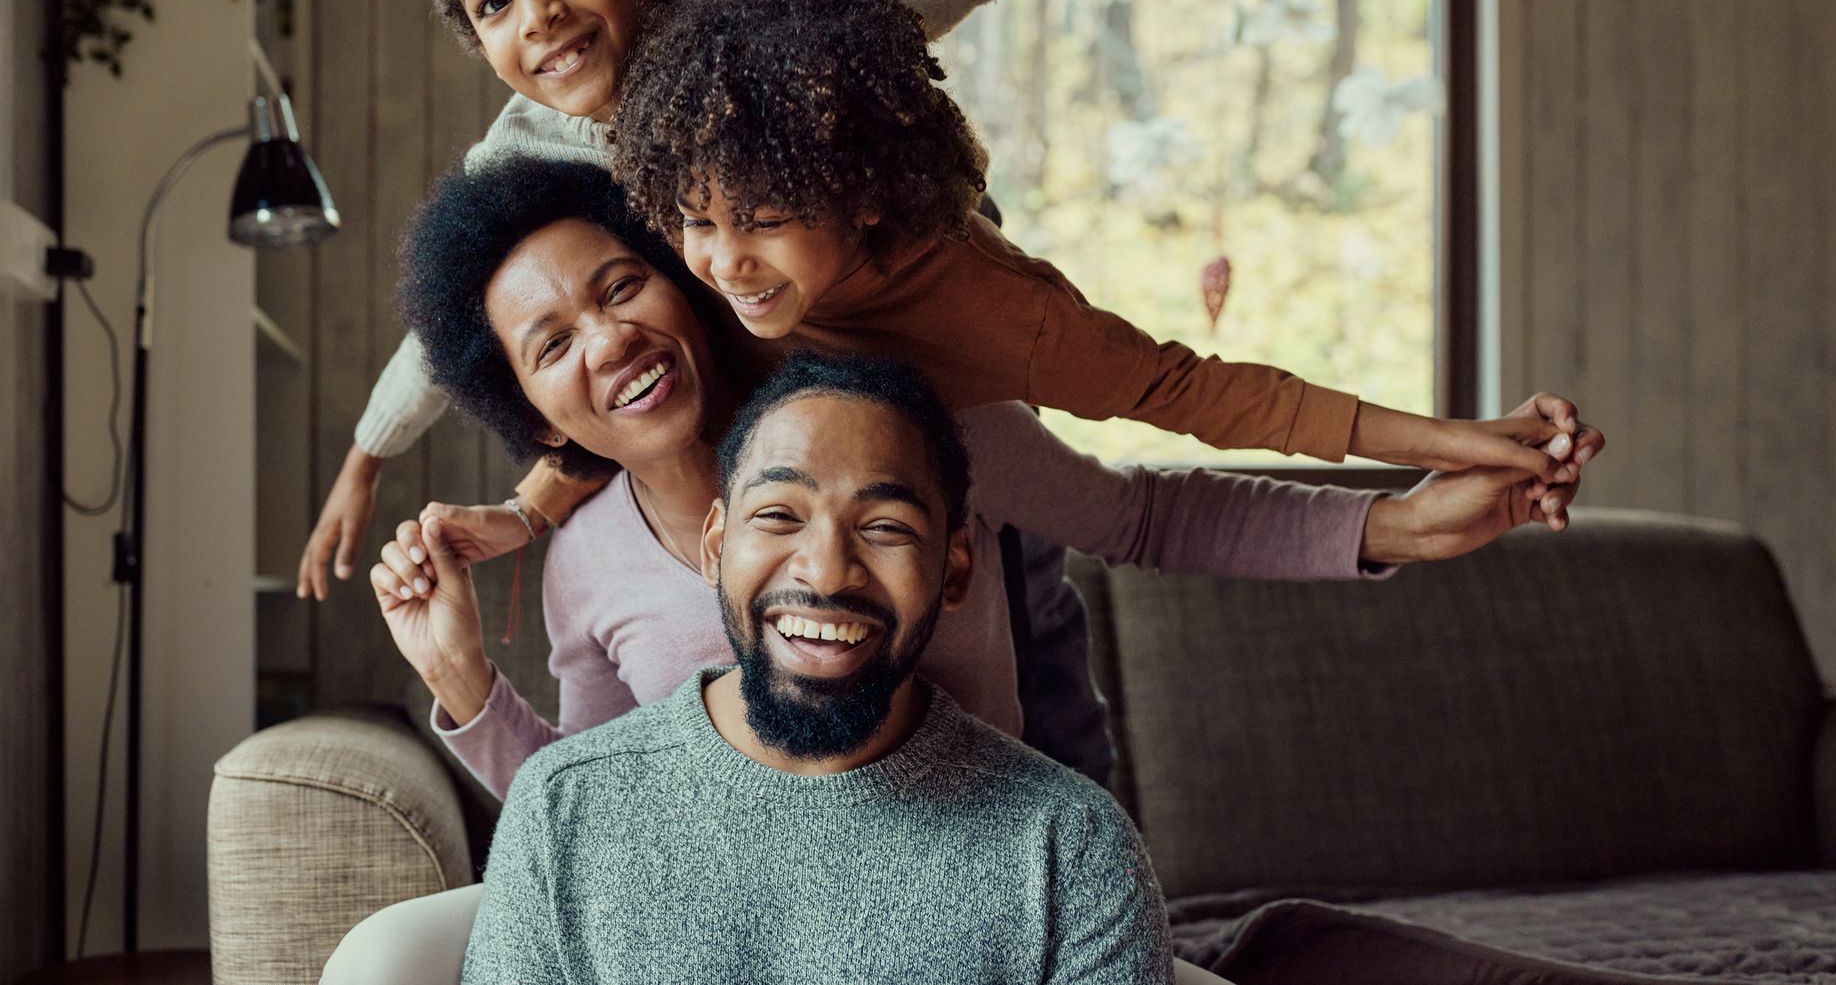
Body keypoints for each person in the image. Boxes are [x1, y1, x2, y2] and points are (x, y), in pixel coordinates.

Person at [319, 157, 1600, 983]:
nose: (611, 340)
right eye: (553, 343)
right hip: (722, 930)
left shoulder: (913, 435)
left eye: (622, 286)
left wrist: (1403, 523)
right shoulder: (584, 556)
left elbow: (1148, 518)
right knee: (384, 961)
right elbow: (595, 807)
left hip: (966, 899)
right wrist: (469, 688)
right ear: (534, 407)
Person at [299, 0, 1459, 599]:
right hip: (830, 442)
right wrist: (366, 459)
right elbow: (456, 331)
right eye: (494, 4)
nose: (539, 15)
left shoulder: (788, 20)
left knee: (1045, 603)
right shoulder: (524, 163)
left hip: (958, 351)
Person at [612, 0, 1575, 484]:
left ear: (861, 197)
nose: (722, 259)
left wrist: (1460, 442)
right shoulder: (691, 256)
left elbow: (1212, 396)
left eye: (766, 223)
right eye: (696, 220)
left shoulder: (1011, 317)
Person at [462, 352, 1173, 983]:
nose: (828, 572)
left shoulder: (1070, 846)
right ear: (716, 546)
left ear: (954, 569)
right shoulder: (559, 808)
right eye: (778, 514)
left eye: (886, 527)